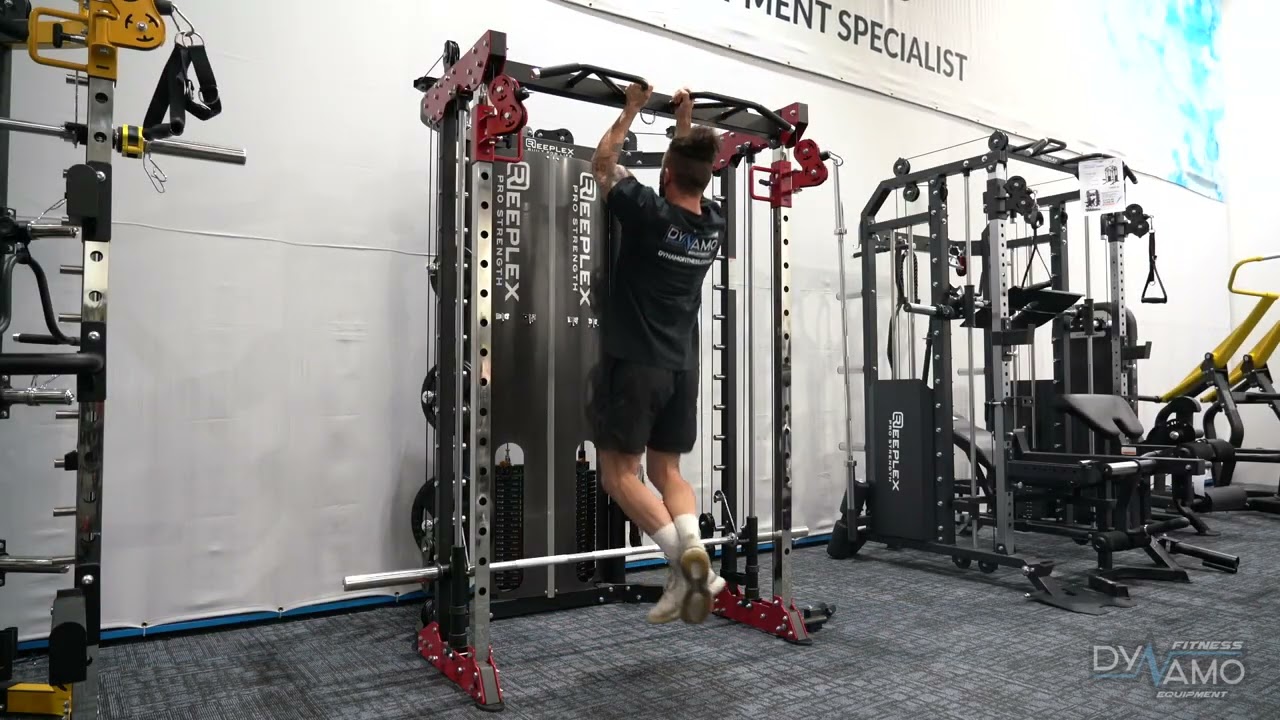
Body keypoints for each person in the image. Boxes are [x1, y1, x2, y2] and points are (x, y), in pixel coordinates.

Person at [587, 82, 728, 625]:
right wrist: (686, 120)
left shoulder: (647, 213)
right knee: (668, 469)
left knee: (620, 475)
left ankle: (687, 563)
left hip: (637, 364)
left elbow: (604, 163)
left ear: (665, 174)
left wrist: (631, 110)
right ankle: (686, 565)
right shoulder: (713, 224)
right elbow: (689, 171)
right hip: (681, 368)